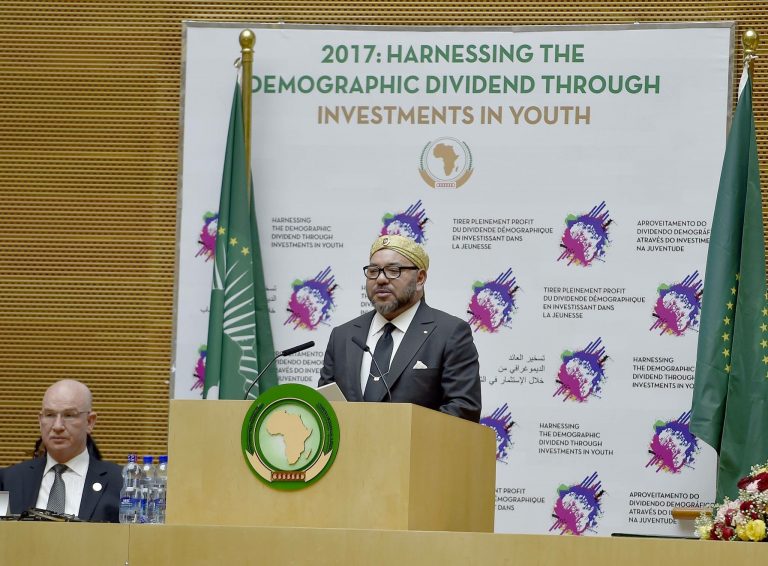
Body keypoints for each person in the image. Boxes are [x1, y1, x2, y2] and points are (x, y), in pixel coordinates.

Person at [319, 234, 481, 422]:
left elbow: (463, 409)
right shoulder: (343, 335)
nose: (380, 279)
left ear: (420, 278)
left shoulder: (449, 333)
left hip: (419, 442)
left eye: (393, 270)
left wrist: (400, 435)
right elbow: (325, 407)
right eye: (373, 271)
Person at [0, 379, 121, 521]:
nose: (57, 426)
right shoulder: (8, 481)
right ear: (40, 421)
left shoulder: (120, 483)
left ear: (90, 422)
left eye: (69, 415)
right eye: (50, 415)